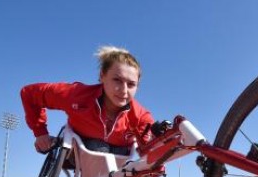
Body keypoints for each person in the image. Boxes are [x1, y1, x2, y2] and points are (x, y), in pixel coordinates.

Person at [20, 46, 156, 156]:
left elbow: (149, 151)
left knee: (121, 154)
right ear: (102, 76)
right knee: (98, 148)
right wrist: (40, 133)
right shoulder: (75, 95)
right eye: (117, 80)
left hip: (119, 158)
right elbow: (29, 93)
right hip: (82, 150)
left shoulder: (141, 117)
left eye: (131, 84)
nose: (124, 90)